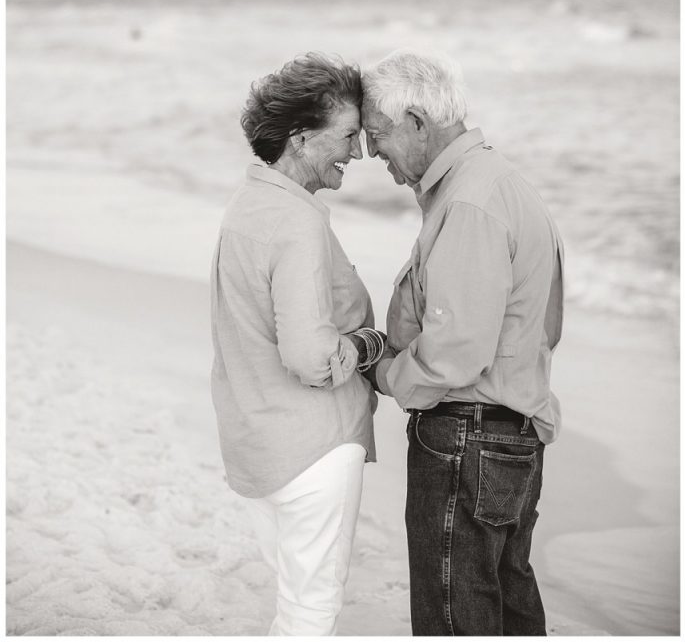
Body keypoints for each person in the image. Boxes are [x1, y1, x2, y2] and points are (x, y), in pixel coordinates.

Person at [361, 48, 564, 637]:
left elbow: (454, 354)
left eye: (378, 134)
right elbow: (543, 328)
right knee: (506, 611)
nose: (372, 151)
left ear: (418, 122)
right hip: (507, 434)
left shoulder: (471, 201)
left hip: (468, 439)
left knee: (455, 618)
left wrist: (385, 375)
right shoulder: (497, 183)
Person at [210, 53, 385, 637]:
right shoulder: (297, 222)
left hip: (258, 437)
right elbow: (311, 359)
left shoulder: (248, 202)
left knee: (293, 595)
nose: (356, 154)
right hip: (312, 446)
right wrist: (369, 344)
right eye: (347, 137)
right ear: (303, 137)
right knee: (311, 608)